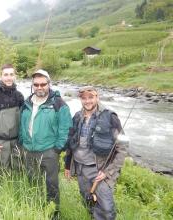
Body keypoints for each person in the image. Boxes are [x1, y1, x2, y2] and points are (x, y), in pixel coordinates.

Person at [64, 86, 128, 220]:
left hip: (100, 171)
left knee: (106, 209)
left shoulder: (110, 117)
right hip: (81, 169)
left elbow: (122, 148)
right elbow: (71, 142)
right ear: (80, 99)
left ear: (97, 97)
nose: (87, 101)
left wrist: (108, 171)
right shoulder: (77, 116)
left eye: (91, 97)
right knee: (88, 201)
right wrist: (67, 165)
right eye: (84, 98)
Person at [19, 69, 72, 217]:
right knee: (33, 182)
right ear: (32, 85)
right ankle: (35, 208)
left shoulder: (58, 104)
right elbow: (22, 124)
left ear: (49, 84)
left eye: (43, 84)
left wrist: (57, 149)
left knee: (52, 185)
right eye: (36, 84)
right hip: (29, 150)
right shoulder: (26, 103)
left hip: (49, 151)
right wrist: (22, 142)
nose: (39, 87)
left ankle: (53, 213)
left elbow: (66, 128)